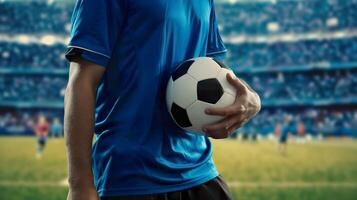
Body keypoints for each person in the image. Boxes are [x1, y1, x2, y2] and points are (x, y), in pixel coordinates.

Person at [64, 1, 261, 200]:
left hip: (199, 169)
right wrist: (79, 186)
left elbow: (213, 71)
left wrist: (252, 98)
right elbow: (82, 81)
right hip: (132, 177)